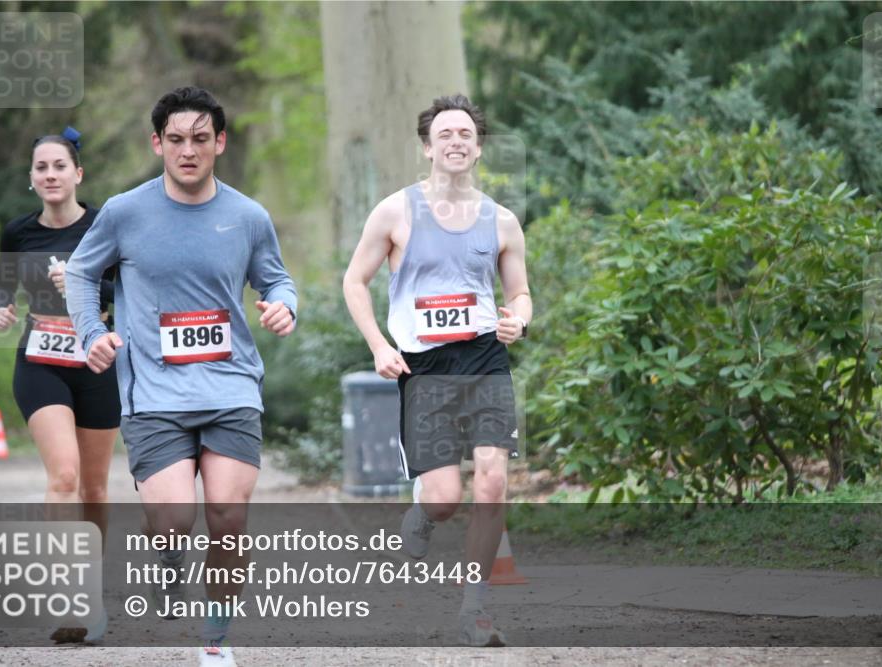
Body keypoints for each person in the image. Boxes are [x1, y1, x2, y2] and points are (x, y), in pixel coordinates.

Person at [65, 86, 297, 667]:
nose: (187, 150)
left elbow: (276, 280)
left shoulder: (247, 216)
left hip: (231, 385)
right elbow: (80, 275)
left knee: (228, 514)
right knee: (172, 520)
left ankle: (216, 641)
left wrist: (283, 306)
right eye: (175, 140)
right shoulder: (125, 212)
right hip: (155, 393)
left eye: (200, 139)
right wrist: (93, 335)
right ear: (157, 144)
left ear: (219, 142)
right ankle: (169, 564)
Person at [342, 94, 532, 647]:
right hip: (423, 367)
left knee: (493, 482)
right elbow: (355, 281)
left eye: (466, 134)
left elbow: (520, 294)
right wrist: (379, 345)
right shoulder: (395, 212)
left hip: (484, 358)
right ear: (427, 147)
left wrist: (518, 321)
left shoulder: (502, 221)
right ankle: (425, 515)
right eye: (445, 133)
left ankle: (474, 609)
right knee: (446, 497)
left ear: (478, 148)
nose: (456, 141)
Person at [0, 127, 119, 643]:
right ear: (32, 179)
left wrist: (86, 284)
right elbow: (2, 283)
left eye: (59, 166)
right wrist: (1, 309)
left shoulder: (106, 224)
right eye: (41, 168)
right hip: (40, 356)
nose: (50, 175)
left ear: (77, 174)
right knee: (63, 476)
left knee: (93, 486)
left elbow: (129, 284)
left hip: (96, 356)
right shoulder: (18, 233)